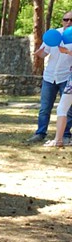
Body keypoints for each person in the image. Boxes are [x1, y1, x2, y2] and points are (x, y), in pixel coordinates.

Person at [28, 11, 72, 144]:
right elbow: (44, 53)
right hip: (49, 76)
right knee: (45, 108)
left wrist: (67, 52)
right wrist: (39, 53)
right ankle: (40, 133)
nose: (68, 22)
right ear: (62, 21)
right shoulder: (54, 34)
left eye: (71, 20)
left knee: (67, 109)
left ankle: (65, 135)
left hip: (66, 76)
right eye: (66, 19)